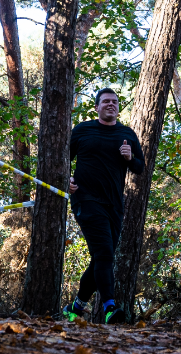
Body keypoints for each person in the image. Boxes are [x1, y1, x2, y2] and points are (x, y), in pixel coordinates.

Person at [63, 88, 144, 324]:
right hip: (85, 199)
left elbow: (140, 167)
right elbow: (61, 159)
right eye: (106, 101)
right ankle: (110, 307)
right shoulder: (82, 130)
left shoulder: (126, 133)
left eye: (115, 102)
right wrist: (66, 179)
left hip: (114, 205)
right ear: (97, 107)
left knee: (100, 257)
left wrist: (130, 158)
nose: (111, 104)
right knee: (105, 253)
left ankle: (75, 308)